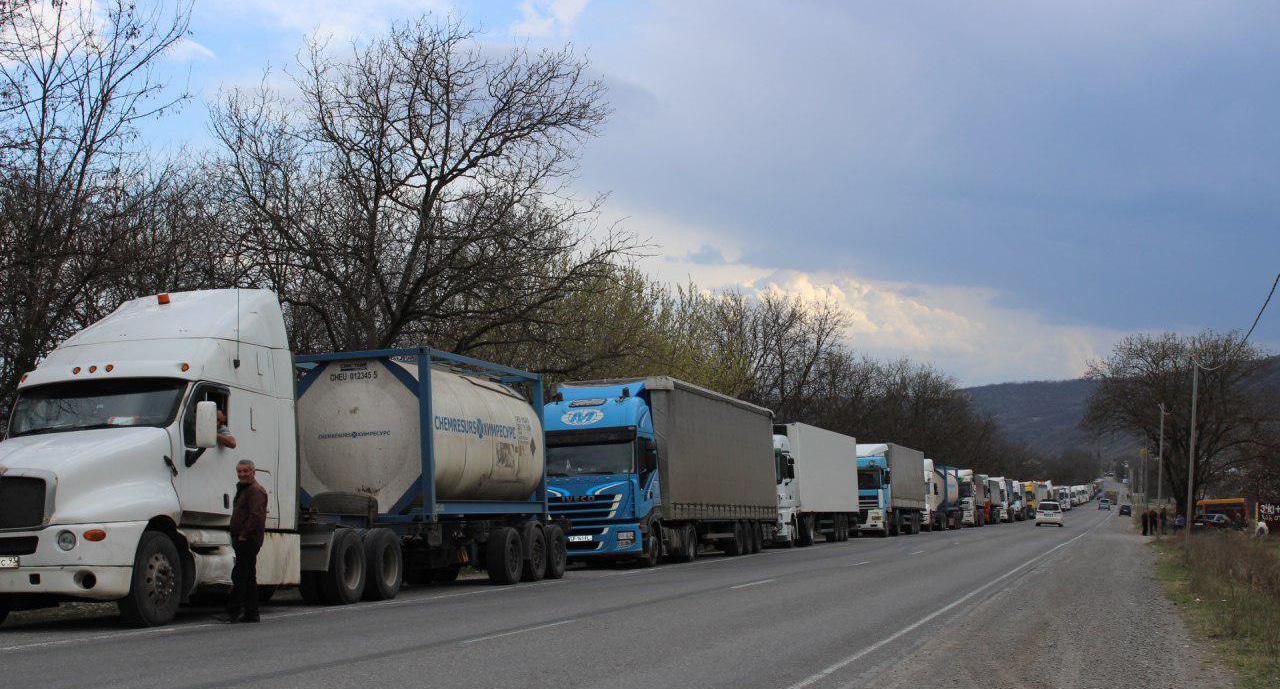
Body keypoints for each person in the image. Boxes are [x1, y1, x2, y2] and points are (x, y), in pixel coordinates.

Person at [218, 459, 268, 623]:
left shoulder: (255, 491)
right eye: (239, 471)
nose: (242, 474)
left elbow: (256, 516)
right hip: (244, 538)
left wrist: (243, 534)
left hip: (248, 540)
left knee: (239, 575)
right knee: (248, 576)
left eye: (246, 471)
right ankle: (252, 613)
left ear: (253, 472)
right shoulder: (245, 489)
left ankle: (232, 612)